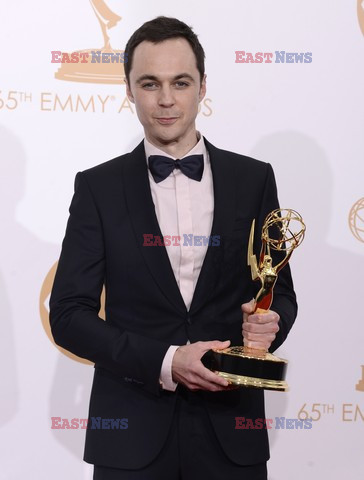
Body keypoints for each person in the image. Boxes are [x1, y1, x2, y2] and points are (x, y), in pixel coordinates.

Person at [49, 16, 297, 480]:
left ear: (203, 86)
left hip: (231, 436)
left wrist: (267, 328)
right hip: (131, 438)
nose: (166, 100)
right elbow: (67, 315)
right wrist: (166, 361)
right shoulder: (98, 188)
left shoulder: (254, 179)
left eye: (180, 82)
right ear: (128, 89)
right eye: (150, 83)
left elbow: (279, 291)